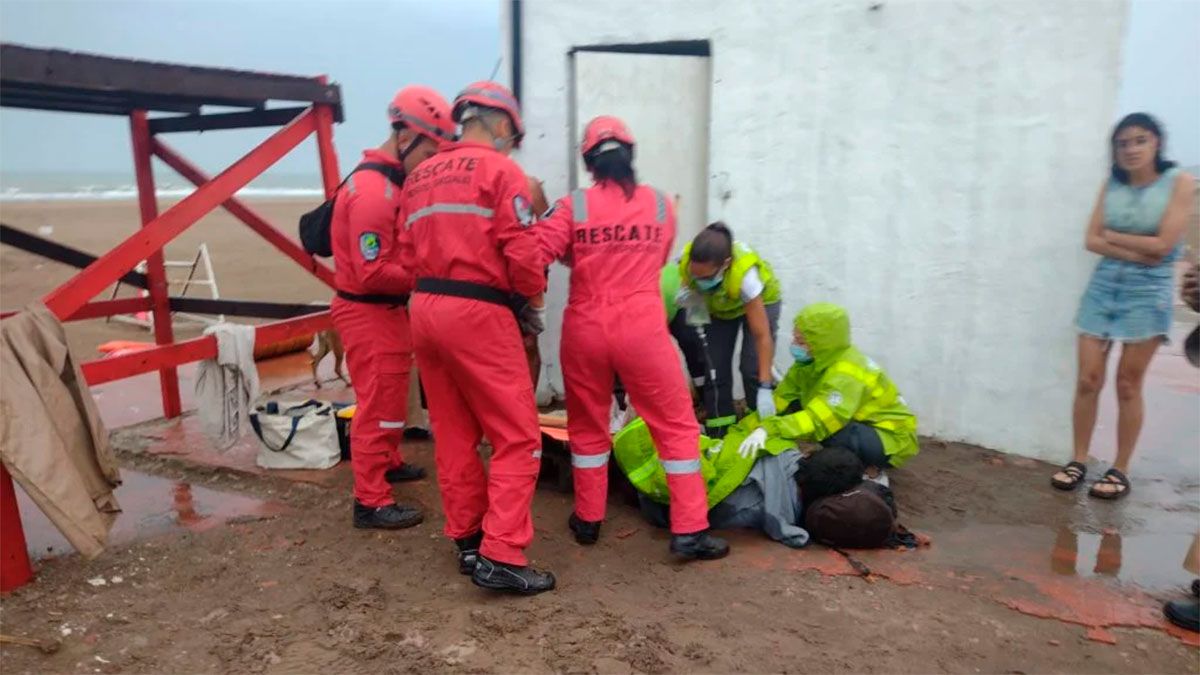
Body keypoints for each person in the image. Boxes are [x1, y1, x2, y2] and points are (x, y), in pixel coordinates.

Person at [538, 115, 728, 560]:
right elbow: (658, 257)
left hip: (585, 326)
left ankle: (588, 519)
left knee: (587, 425)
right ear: (631, 155)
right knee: (676, 427)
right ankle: (689, 530)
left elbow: (540, 251)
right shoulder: (663, 206)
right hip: (642, 327)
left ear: (589, 163)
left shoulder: (573, 207)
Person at [398, 81, 554, 595]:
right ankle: (502, 553)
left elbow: (404, 252)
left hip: (425, 308)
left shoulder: (419, 176)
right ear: (505, 125)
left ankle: (468, 539)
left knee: (454, 432)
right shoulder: (501, 171)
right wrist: (532, 303)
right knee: (518, 436)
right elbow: (524, 251)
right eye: (515, 135)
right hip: (478, 312)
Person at [1051, 113, 1195, 499]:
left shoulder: (1178, 182)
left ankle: (1120, 468)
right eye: (1123, 143)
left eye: (1140, 140)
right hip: (1103, 287)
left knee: (1128, 384)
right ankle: (1078, 459)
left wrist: (1113, 239)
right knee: (1088, 379)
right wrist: (1132, 243)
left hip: (1148, 292)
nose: (1131, 149)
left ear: (1157, 144)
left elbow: (1164, 246)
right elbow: (1091, 239)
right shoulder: (1111, 184)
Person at [330, 86, 454, 530]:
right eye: (430, 154)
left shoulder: (386, 184)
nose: (429, 166)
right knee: (377, 402)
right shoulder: (373, 194)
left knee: (391, 394)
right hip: (368, 309)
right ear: (407, 139)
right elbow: (372, 271)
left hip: (385, 310)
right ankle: (371, 499)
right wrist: (427, 276)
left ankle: (387, 461)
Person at [739, 302, 919, 475]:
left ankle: (870, 470)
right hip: (858, 422)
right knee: (796, 410)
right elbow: (780, 400)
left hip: (889, 437)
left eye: (801, 341)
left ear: (822, 343)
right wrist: (745, 429)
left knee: (831, 431)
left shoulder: (846, 374)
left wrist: (769, 429)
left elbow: (820, 421)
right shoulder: (808, 364)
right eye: (795, 338)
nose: (794, 345)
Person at [677, 223, 782, 437]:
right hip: (721, 308)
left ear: (726, 264)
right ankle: (719, 435)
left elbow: (761, 336)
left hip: (760, 302)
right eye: (696, 276)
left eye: (706, 277)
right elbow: (695, 306)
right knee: (715, 370)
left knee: (751, 366)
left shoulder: (745, 277)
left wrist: (764, 386)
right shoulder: (687, 264)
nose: (700, 280)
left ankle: (760, 429)